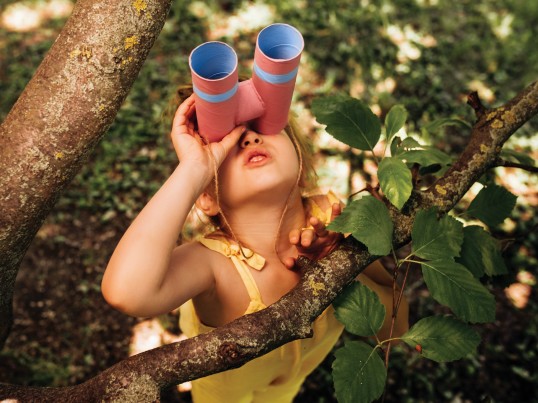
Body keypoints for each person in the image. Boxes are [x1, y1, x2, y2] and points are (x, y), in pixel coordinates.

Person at [102, 89, 408, 402]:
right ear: (205, 196)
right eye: (226, 141)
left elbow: (396, 329)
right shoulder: (213, 266)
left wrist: (339, 267)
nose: (248, 138)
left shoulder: (332, 219)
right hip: (224, 392)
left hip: (295, 377)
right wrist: (194, 167)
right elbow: (127, 292)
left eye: (263, 125)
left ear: (301, 165)